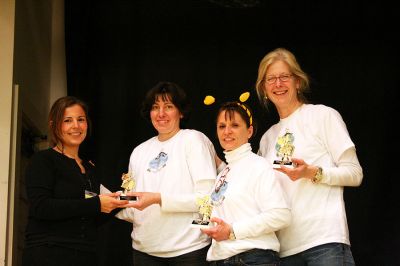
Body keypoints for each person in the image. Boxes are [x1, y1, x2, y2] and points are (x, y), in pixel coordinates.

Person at [255, 47, 363, 265]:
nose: (278, 84)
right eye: (271, 79)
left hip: (324, 242)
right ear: (264, 88)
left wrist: (313, 173)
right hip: (283, 251)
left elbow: (355, 173)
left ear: (298, 81)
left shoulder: (323, 116)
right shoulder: (267, 139)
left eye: (285, 76)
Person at [115, 81, 217, 265]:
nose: (161, 114)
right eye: (155, 107)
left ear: (181, 112)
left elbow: (207, 199)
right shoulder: (139, 151)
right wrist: (113, 203)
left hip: (188, 250)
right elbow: (132, 202)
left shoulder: (193, 140)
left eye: (168, 106)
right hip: (144, 251)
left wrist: (158, 198)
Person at [21, 96, 128, 266]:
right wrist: (96, 204)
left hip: (85, 254)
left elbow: (90, 213)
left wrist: (119, 202)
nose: (76, 126)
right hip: (49, 253)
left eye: (81, 119)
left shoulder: (90, 168)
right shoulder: (43, 160)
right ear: (53, 125)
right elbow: (41, 207)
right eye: (67, 120)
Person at [201, 100, 291, 265]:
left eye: (234, 125)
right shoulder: (223, 174)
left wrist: (232, 231)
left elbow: (281, 215)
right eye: (222, 126)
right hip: (220, 259)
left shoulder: (258, 165)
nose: (227, 131)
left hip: (252, 258)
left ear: (249, 131)